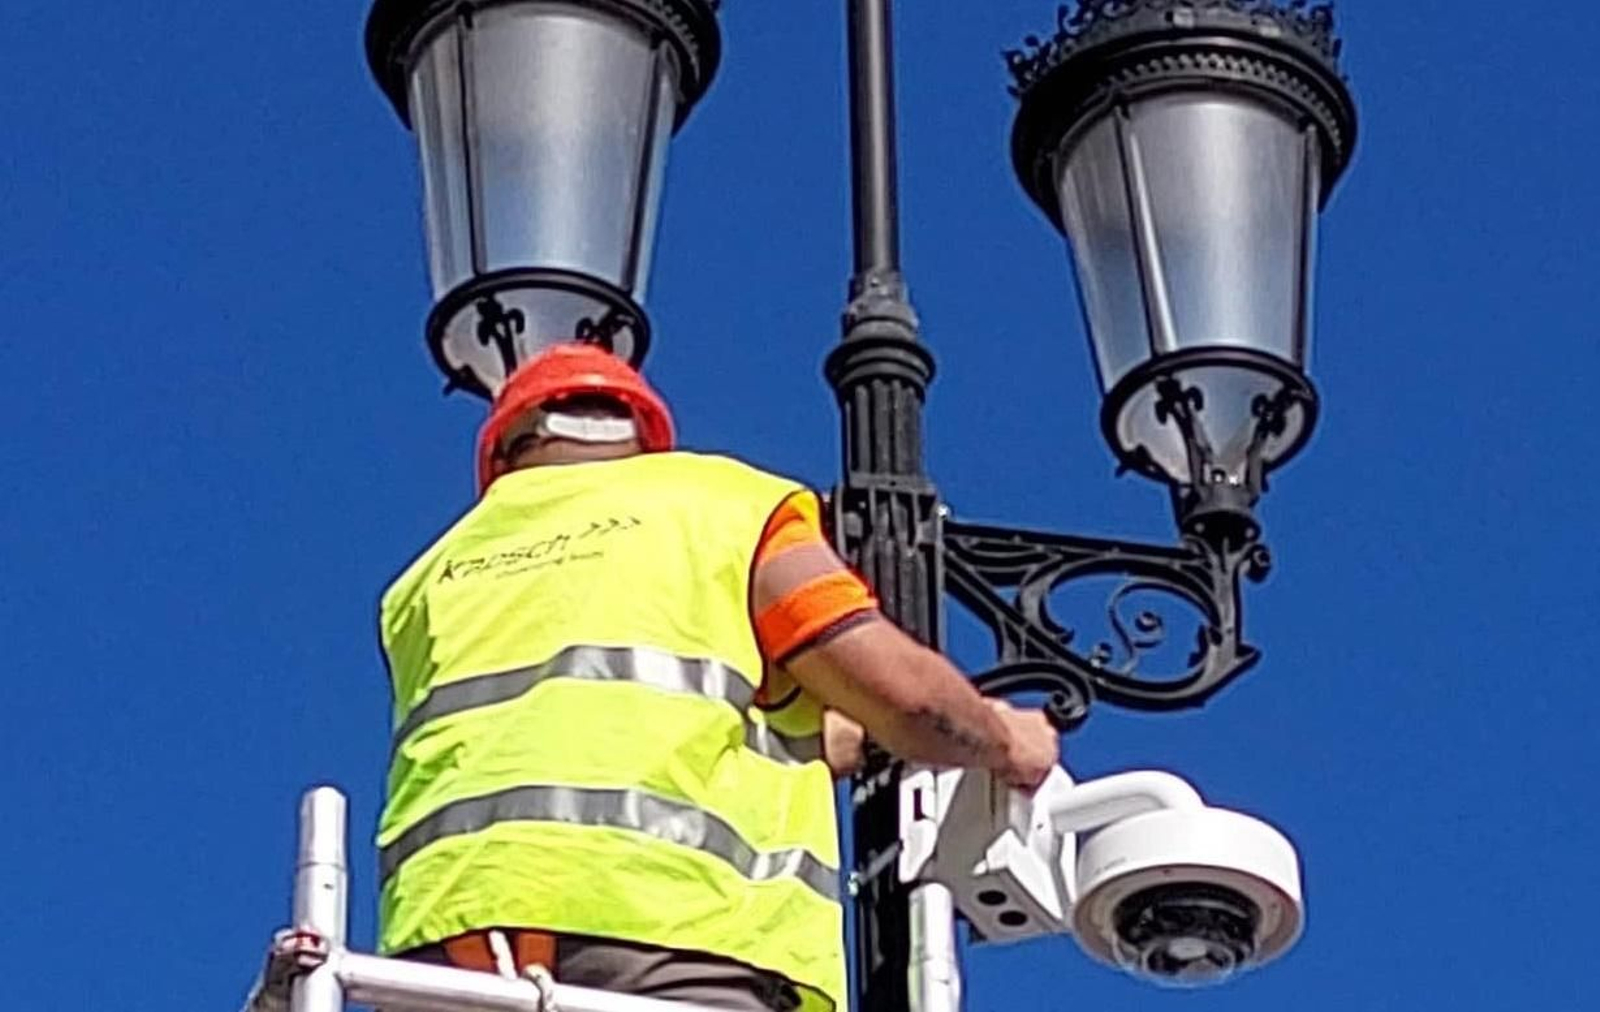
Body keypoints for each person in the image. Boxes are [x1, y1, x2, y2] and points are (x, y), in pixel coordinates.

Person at [376, 342, 1060, 1012]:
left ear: (501, 457)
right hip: (669, 941)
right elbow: (904, 696)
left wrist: (844, 736)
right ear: (642, 435)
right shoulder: (722, 505)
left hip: (447, 951)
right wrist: (1001, 737)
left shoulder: (427, 579)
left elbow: (587, 728)